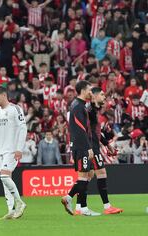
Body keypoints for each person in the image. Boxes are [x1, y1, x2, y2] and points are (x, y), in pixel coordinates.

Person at [74, 87, 123, 215]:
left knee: (87, 176)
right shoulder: (89, 110)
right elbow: (87, 130)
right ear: (94, 96)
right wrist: (90, 147)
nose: (104, 97)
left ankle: (78, 206)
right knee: (101, 173)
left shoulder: (94, 110)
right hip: (91, 147)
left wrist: (107, 145)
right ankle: (107, 207)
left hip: (93, 145)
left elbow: (97, 132)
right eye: (101, 95)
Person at [0, 86, 27, 220]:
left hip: (12, 150)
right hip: (1, 152)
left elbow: (23, 129)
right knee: (5, 180)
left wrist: (19, 148)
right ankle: (11, 210)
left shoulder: (15, 109)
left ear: (4, 95)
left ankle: (20, 202)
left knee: (4, 176)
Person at [61, 80, 100, 216]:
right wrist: (88, 147)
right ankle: (82, 208)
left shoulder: (81, 105)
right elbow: (80, 129)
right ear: (83, 90)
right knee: (83, 176)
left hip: (81, 145)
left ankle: (71, 199)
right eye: (89, 89)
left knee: (89, 174)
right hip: (81, 146)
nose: (91, 91)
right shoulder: (77, 106)